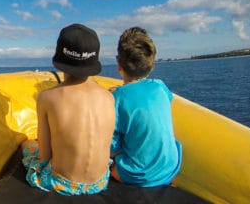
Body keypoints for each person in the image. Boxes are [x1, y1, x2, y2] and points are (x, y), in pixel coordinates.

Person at [21, 23, 116, 195]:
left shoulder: (47, 97)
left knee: (27, 144)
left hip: (62, 183)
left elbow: (44, 156)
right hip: (101, 182)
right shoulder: (109, 97)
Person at [110, 27, 182, 186]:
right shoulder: (160, 86)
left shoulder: (117, 98)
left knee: (112, 167)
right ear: (151, 65)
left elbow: (111, 148)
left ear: (119, 65)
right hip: (171, 168)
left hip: (140, 175)